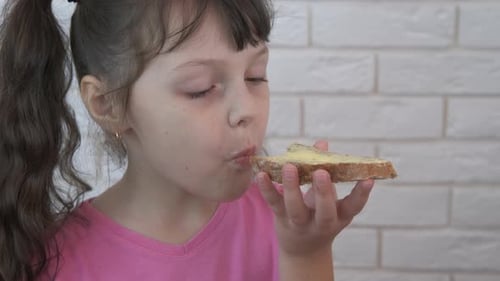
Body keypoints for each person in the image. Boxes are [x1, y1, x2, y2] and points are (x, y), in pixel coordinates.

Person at [0, 0, 375, 280]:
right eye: (201, 89)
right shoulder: (56, 265)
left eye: (256, 75)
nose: (246, 110)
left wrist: (307, 253)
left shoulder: (283, 225)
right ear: (108, 104)